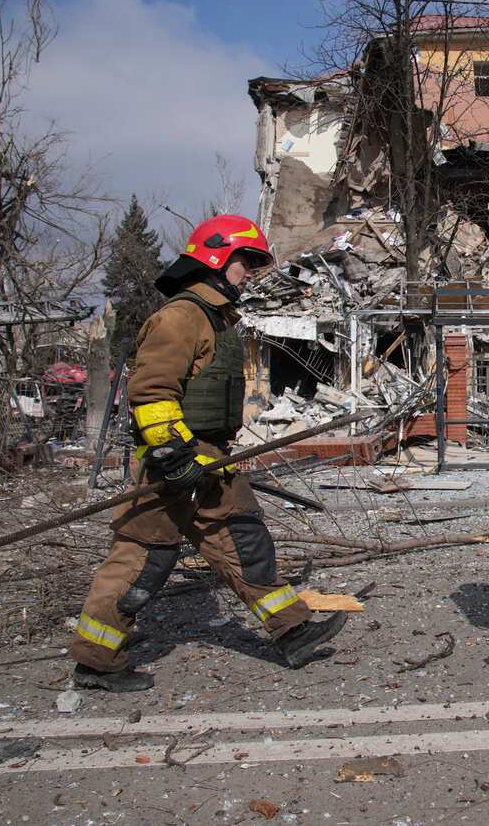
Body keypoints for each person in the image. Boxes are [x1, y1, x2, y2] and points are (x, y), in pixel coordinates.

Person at [69, 215, 346, 692]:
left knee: (243, 537)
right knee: (144, 557)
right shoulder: (180, 317)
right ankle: (97, 659)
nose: (250, 272)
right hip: (170, 461)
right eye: (245, 262)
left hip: (211, 458)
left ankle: (292, 631)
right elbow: (152, 392)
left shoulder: (215, 318)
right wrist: (173, 456)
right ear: (218, 259)